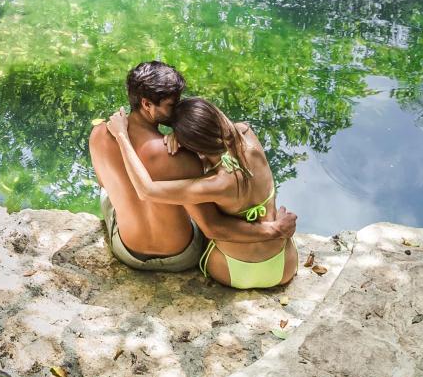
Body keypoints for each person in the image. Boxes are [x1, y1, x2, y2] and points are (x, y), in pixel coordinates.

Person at [88, 61, 290, 273]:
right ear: (147, 104)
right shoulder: (181, 156)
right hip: (181, 257)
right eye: (171, 105)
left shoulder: (100, 134)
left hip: (127, 251)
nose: (178, 110)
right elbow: (211, 225)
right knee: (195, 203)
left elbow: (104, 183)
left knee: (109, 189)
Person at [103, 96, 298, 290]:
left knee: (196, 212)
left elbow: (146, 190)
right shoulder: (248, 135)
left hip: (232, 271)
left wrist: (122, 136)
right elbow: (224, 136)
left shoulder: (216, 184)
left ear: (193, 145)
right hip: (283, 266)